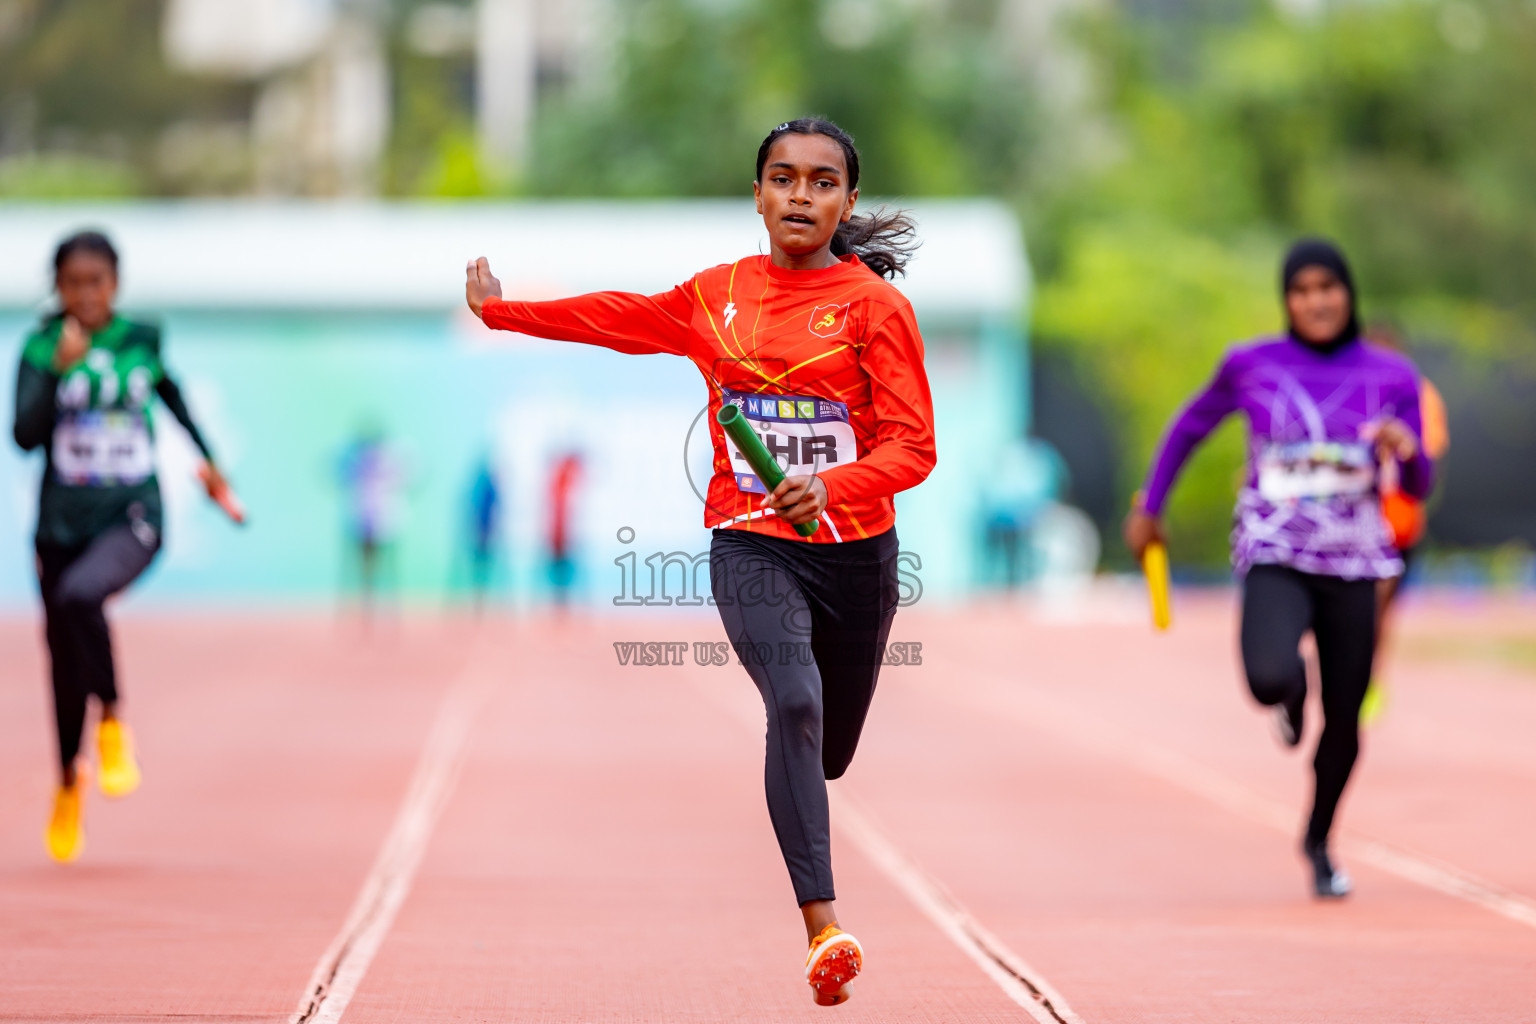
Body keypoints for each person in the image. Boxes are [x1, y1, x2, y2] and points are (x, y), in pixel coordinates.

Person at [464, 117, 935, 1005]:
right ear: (758, 193)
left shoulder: (877, 309)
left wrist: (834, 488)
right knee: (792, 700)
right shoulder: (716, 297)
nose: (801, 196)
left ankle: (811, 785)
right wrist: (502, 310)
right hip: (751, 540)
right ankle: (824, 929)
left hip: (857, 555)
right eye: (784, 179)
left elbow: (915, 448)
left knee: (827, 750)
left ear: (847, 200)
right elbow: (616, 318)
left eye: (822, 182)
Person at [1124, 239, 1431, 899]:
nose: (1315, 301)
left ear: (1349, 295)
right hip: (1275, 547)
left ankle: (1319, 840)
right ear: (1286, 299)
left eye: (1328, 288)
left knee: (1345, 721)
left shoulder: (1391, 374)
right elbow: (1188, 428)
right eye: (1301, 290)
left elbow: (1420, 481)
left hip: (1355, 560)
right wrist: (1150, 506)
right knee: (1268, 677)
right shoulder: (1252, 363)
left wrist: (1405, 452)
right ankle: (1291, 696)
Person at [12, 230, 239, 863]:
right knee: (62, 660)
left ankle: (112, 718)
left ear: (116, 285)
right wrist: (58, 368)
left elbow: (172, 396)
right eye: (73, 283)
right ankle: (66, 782)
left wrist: (211, 461)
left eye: (98, 282)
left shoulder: (142, 339)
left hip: (133, 511)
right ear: (57, 288)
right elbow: (24, 436)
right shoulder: (38, 347)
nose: (86, 294)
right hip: (61, 523)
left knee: (84, 595)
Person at [1360, 322, 1450, 724]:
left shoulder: (1420, 394)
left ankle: (1367, 677)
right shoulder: (1347, 384)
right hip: (1344, 514)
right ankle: (1347, 670)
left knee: (1379, 607)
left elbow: (1424, 453)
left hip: (1396, 520)